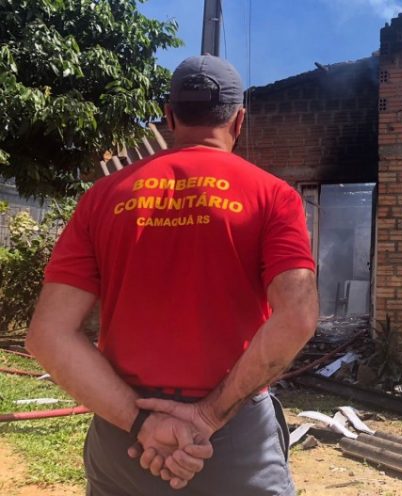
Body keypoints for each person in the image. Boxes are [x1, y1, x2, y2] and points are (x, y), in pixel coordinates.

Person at [26, 54, 318, 495]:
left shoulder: (102, 197)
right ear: (239, 120)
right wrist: (208, 416)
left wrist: (141, 421)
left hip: (124, 438)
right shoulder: (272, 196)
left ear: (169, 116)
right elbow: (296, 316)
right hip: (234, 441)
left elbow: (47, 335)